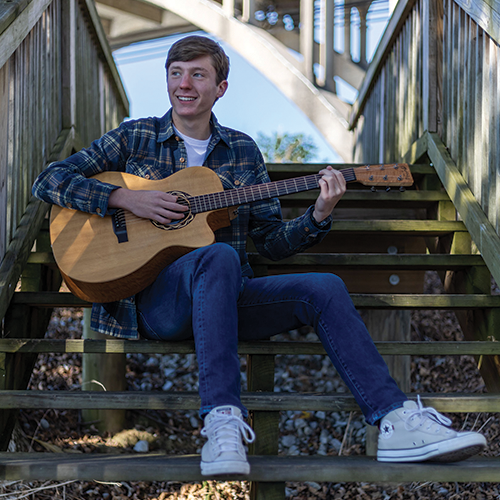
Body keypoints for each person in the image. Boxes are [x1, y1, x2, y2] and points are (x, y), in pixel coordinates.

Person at [32, 35, 486, 476]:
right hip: (158, 303)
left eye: (197, 75)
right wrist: (124, 200)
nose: (183, 84)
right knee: (219, 258)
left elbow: (269, 240)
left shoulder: (243, 150)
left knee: (323, 286)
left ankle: (394, 420)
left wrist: (318, 212)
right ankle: (222, 423)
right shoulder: (136, 138)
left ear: (220, 88)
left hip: (228, 298)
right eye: (175, 73)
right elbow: (50, 179)